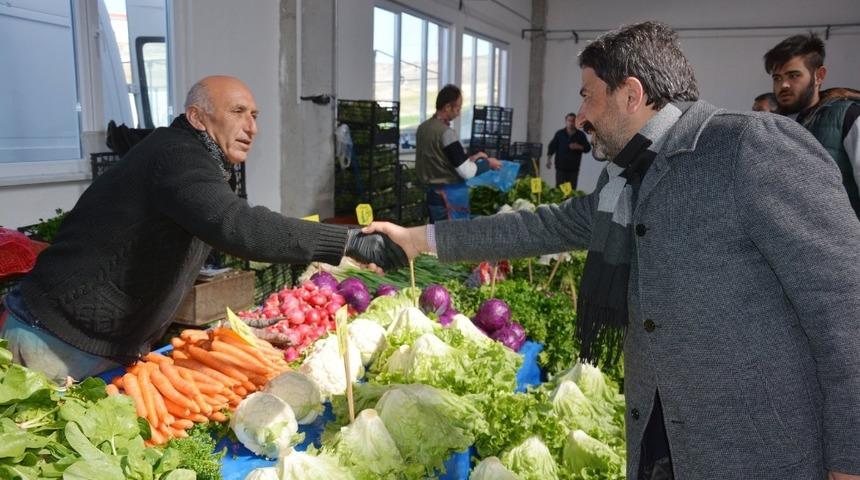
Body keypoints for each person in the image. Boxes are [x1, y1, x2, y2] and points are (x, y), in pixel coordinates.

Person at [367, 22, 860, 480]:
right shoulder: (625, 175)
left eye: (587, 96)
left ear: (631, 93)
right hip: (660, 434)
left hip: (754, 449)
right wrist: (420, 239)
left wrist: (850, 457)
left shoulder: (749, 147)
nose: (580, 116)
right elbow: (547, 225)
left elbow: (844, 305)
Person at [0, 75, 407, 384]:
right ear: (197, 117)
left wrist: (217, 332)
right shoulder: (175, 154)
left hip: (94, 343)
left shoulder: (197, 164)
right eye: (237, 112)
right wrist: (348, 241)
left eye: (255, 115)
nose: (252, 126)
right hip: (56, 340)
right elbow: (236, 224)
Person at [764, 33, 860, 216]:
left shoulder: (848, 116)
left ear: (819, 76)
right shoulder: (770, 127)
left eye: (793, 75)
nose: (783, 85)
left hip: (844, 241)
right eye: (777, 78)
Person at [415, 84, 501, 222]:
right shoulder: (446, 133)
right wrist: (488, 163)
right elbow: (466, 172)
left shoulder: (423, 128)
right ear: (447, 107)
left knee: (436, 234)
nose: (459, 113)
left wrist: (473, 158)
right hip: (448, 197)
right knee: (451, 239)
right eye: (458, 108)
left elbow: (440, 158)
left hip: (431, 195)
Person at [546, 112, 592, 188]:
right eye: (569, 120)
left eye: (573, 121)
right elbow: (552, 147)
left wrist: (579, 146)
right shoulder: (559, 134)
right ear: (565, 121)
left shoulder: (580, 135)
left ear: (576, 122)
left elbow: (588, 148)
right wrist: (548, 160)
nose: (571, 123)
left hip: (573, 169)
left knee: (571, 192)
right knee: (560, 191)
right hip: (560, 168)